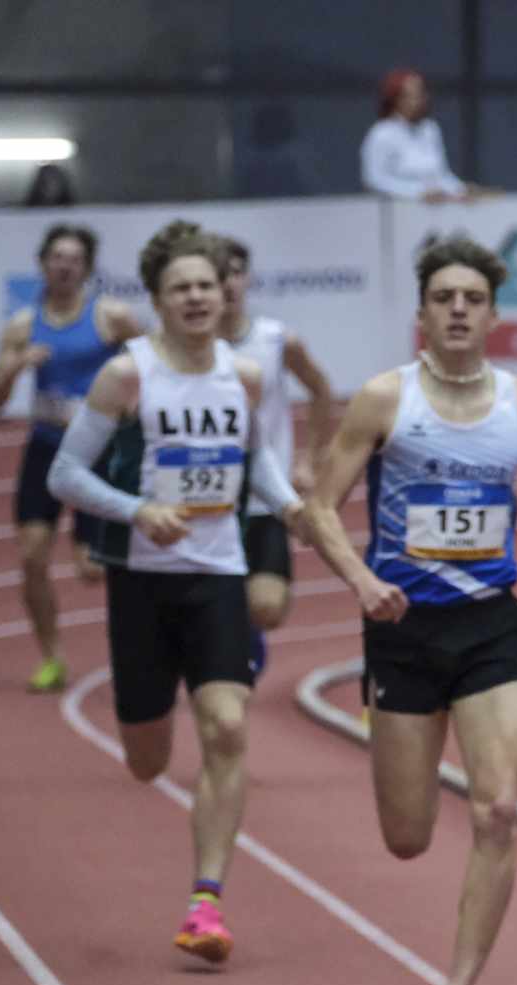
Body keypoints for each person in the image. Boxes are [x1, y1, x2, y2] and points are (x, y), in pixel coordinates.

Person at [302, 236, 517, 985]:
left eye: (474, 297)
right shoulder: (383, 400)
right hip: (401, 628)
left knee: (499, 808)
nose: (460, 310)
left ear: (494, 313)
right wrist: (362, 583)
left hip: (489, 628)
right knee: (407, 836)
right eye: (446, 298)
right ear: (423, 315)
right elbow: (320, 508)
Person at [47, 219, 306, 965]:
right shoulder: (127, 376)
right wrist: (137, 511)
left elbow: (252, 462)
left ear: (222, 295)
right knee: (147, 758)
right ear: (158, 299)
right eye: (180, 287)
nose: (196, 297)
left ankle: (207, 900)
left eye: (205, 285)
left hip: (218, 571)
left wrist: (285, 503)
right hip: (142, 582)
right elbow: (66, 474)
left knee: (226, 726)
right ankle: (151, 743)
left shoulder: (244, 376)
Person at [0, 224, 145, 692]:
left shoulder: (111, 317)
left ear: (88, 268)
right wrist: (16, 365)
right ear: (42, 264)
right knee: (32, 556)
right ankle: (52, 657)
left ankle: (136, 641)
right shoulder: (22, 325)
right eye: (56, 257)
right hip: (45, 447)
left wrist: (125, 412)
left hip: (97, 451)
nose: (64, 266)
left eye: (74, 259)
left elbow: (155, 366)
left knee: (93, 569)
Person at [217, 234, 338, 677]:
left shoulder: (275, 340)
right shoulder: (188, 347)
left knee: (268, 607)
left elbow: (322, 391)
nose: (227, 283)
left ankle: (245, 634)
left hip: (266, 496)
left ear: (247, 278)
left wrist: (309, 460)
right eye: (217, 274)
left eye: (234, 272)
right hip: (208, 500)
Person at [360, 68, 474, 202]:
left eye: (422, 94)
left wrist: (461, 190)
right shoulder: (381, 133)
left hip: (434, 215)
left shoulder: (430, 129)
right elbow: (374, 179)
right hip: (395, 214)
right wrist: (418, 193)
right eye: (413, 95)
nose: (420, 100)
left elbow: (440, 174)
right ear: (396, 99)